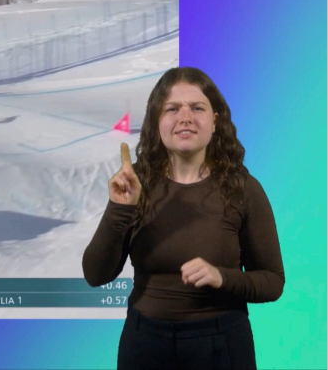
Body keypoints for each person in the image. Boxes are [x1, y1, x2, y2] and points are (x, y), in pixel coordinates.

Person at [82, 67, 284, 370]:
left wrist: (222, 277)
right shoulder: (135, 184)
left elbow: (272, 281)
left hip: (221, 344)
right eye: (172, 108)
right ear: (157, 122)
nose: (185, 117)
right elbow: (95, 275)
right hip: (144, 344)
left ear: (215, 121)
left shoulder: (242, 188)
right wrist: (119, 209)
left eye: (197, 108)